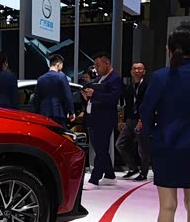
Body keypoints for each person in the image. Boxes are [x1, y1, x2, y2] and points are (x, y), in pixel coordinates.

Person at [139, 25, 190, 222]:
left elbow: (145, 111)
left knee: (167, 206)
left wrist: (151, 132)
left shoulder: (160, 77)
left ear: (168, 49)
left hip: (166, 145)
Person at [83, 53, 124, 187]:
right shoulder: (99, 79)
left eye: (98, 65)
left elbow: (113, 98)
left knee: (101, 149)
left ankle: (94, 178)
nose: (96, 68)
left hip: (104, 119)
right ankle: (110, 175)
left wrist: (94, 94)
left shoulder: (115, 79)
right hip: (94, 118)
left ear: (107, 63)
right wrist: (87, 96)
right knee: (100, 149)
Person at [116, 62, 150, 182]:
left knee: (142, 148)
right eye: (134, 69)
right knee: (120, 144)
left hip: (142, 120)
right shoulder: (129, 86)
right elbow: (127, 104)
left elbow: (148, 104)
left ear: (144, 72)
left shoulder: (147, 86)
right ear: (131, 71)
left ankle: (144, 172)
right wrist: (123, 120)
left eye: (139, 69)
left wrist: (142, 120)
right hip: (130, 119)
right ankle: (132, 168)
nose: (137, 71)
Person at [34, 54, 75, 128]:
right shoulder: (61, 77)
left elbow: (37, 98)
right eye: (62, 65)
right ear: (59, 64)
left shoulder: (40, 79)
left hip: (44, 113)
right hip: (58, 113)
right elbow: (67, 95)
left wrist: (37, 113)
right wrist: (71, 111)